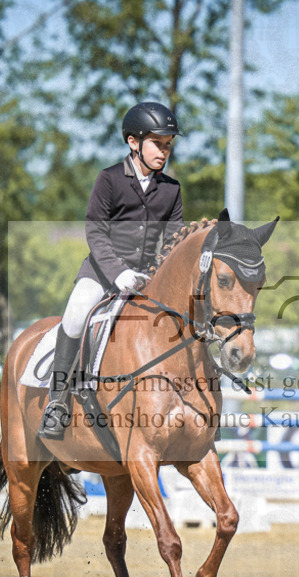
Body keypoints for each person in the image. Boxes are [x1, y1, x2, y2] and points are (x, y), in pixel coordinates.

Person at [38, 101, 184, 440]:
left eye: (168, 145)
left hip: (147, 280)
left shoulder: (172, 190)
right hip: (102, 275)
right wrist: (118, 272)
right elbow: (96, 231)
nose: (164, 151)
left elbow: (173, 239)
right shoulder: (110, 179)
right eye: (157, 144)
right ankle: (57, 403)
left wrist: (158, 271)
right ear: (134, 143)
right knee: (75, 316)